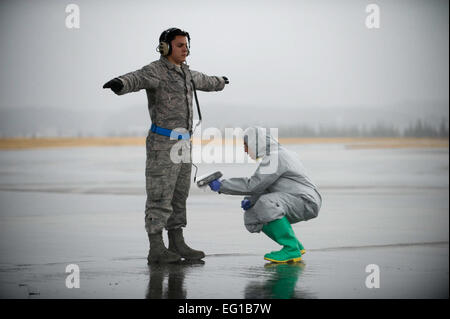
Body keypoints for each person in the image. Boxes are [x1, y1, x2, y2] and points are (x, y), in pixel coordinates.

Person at [103, 27, 229, 264]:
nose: (186, 50)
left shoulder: (187, 73)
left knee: (179, 195)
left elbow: (206, 81)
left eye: (187, 45)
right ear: (165, 47)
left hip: (184, 145)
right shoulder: (156, 71)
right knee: (160, 196)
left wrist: (220, 82)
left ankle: (177, 242)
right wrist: (120, 83)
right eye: (180, 45)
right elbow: (136, 78)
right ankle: (156, 248)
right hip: (162, 144)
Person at [208, 127, 322, 263]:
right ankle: (296, 246)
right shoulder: (276, 154)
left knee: (265, 203)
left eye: (246, 146)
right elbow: (267, 184)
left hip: (305, 201)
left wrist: (222, 185)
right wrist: (251, 200)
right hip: (296, 199)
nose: (245, 150)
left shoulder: (276, 156)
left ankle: (290, 248)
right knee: (252, 215)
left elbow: (254, 185)